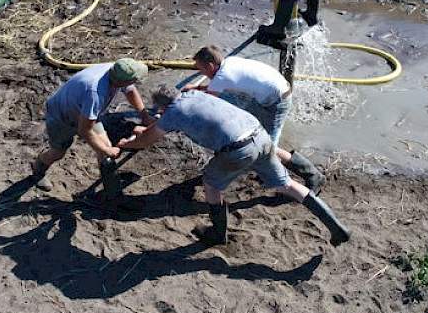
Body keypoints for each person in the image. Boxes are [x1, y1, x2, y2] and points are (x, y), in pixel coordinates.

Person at [118, 85, 350, 247]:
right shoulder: (196, 96)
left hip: (238, 148)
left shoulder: (173, 113)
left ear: (162, 107)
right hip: (260, 135)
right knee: (287, 184)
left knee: (211, 184)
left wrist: (128, 144)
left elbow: (148, 139)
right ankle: (335, 227)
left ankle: (217, 233)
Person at [183, 45, 325, 193]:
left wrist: (184, 102)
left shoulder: (220, 78)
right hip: (273, 93)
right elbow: (218, 89)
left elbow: (206, 103)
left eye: (201, 69)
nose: (201, 72)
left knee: (266, 147)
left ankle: (313, 175)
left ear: (211, 66)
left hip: (276, 101)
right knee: (251, 134)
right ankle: (260, 168)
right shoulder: (230, 62)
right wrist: (197, 88)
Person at [32, 58, 154, 197]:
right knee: (58, 152)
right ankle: (38, 169)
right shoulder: (95, 93)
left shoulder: (116, 70)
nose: (135, 82)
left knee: (105, 150)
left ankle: (111, 192)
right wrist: (107, 150)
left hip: (85, 111)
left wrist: (144, 115)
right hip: (62, 116)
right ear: (121, 81)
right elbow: (85, 130)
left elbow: (130, 91)